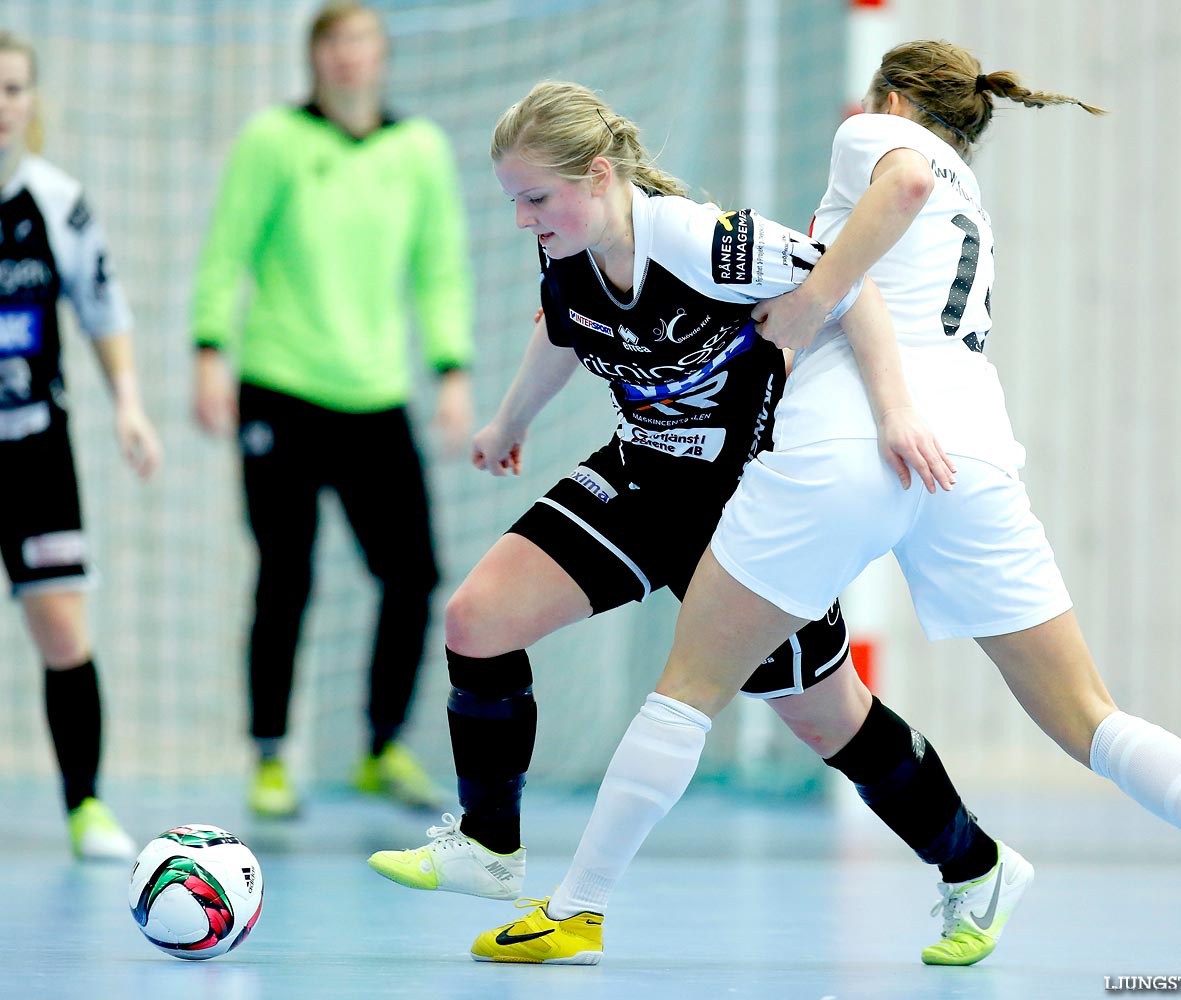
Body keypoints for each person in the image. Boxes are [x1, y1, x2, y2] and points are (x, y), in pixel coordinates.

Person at [470, 40, 1181, 979]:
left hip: (849, 439)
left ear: (893, 99)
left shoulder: (881, 135)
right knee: (1090, 717)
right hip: (971, 454)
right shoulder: (975, 211)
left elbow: (896, 185)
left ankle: (576, 910)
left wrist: (816, 299)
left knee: (689, 687)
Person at [367, 79, 1033, 966]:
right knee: (476, 620)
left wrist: (894, 412)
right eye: (513, 200)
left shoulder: (701, 243)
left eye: (535, 197)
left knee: (826, 718)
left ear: (598, 175)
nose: (523, 217)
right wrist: (510, 421)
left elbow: (851, 292)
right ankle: (491, 848)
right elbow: (565, 329)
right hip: (640, 476)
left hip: (747, 506)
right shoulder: (567, 242)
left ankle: (976, 864)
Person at [191, 0, 474, 817]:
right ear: (313, 58)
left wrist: (450, 371)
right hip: (278, 388)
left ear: (382, 57)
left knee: (413, 573)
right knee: (286, 572)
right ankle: (270, 756)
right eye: (334, 45)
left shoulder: (416, 150)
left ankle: (381, 746)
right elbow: (226, 249)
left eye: (362, 43)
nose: (349, 59)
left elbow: (439, 268)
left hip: (374, 396)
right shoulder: (273, 142)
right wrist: (210, 349)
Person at [0, 31, 163, 859]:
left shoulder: (57, 202)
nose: (1, 106)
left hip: (32, 450)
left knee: (62, 628)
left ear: (33, 103)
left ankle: (85, 807)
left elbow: (103, 311)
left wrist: (128, 406)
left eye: (13, 89)